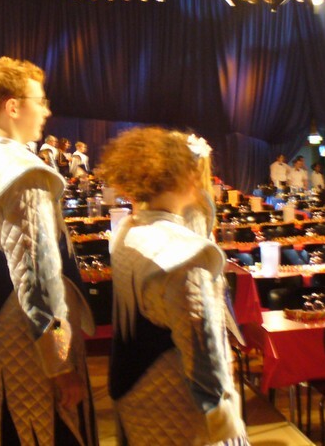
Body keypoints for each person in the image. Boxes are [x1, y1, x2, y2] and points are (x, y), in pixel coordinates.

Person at [0, 56, 96, 445]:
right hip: (27, 346)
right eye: (40, 100)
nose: (46, 111)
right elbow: (39, 280)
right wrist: (60, 361)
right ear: (13, 106)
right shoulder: (23, 173)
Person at [99, 127, 248, 445]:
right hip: (179, 406)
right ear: (181, 178)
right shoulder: (181, 254)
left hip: (134, 388)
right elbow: (203, 350)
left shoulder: (127, 231)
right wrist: (223, 420)